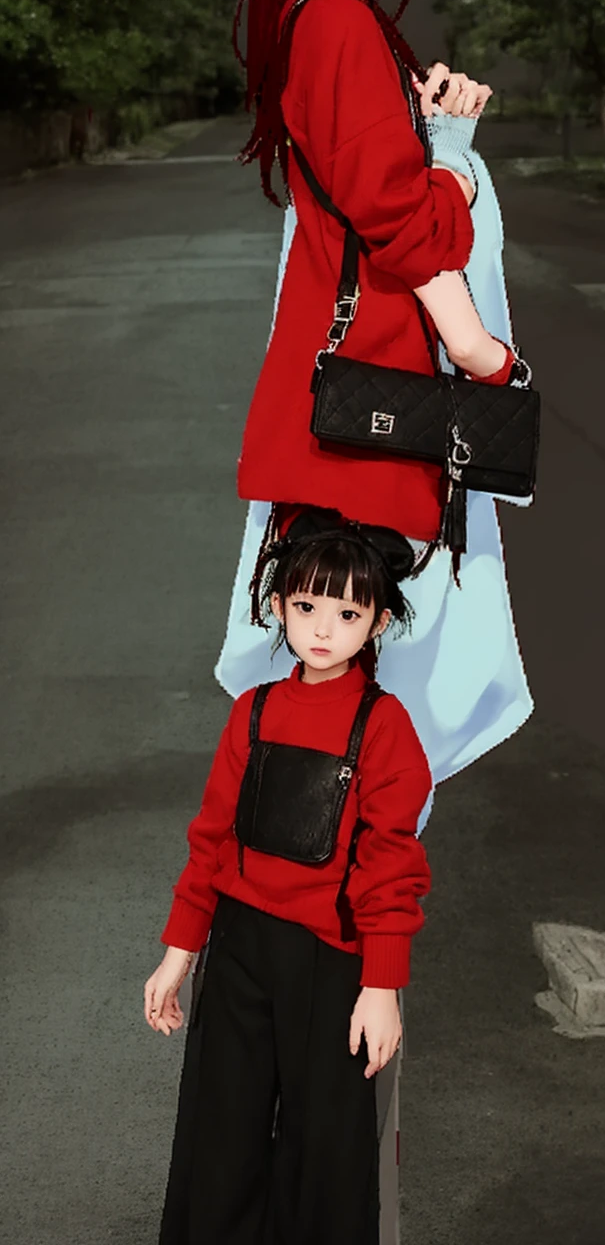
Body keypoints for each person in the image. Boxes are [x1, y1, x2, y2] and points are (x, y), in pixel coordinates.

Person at [216, 0, 534, 823]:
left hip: (345, 417)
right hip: (373, 418)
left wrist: (434, 140)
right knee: (361, 743)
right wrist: (480, 350)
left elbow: (373, 204)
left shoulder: (309, 22)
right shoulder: (340, 28)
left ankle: (310, 959)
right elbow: (405, 228)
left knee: (334, 724)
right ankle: (328, 967)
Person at [145, 518, 433, 1245]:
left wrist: (380, 986)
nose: (323, 630)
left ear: (379, 621)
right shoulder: (256, 711)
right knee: (222, 1136)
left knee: (326, 1153)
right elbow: (212, 838)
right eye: (306, 607)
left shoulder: (385, 726)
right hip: (238, 954)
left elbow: (390, 864)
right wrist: (179, 954)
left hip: (329, 963)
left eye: (348, 613)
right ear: (277, 607)